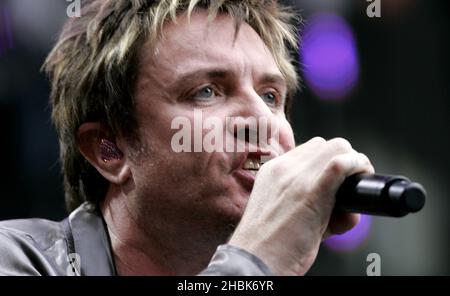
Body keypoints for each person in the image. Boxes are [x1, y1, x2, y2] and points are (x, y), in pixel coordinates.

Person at [0, 0, 374, 276]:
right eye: (207, 92)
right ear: (108, 149)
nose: (261, 119)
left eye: (271, 96)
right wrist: (257, 263)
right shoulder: (14, 258)